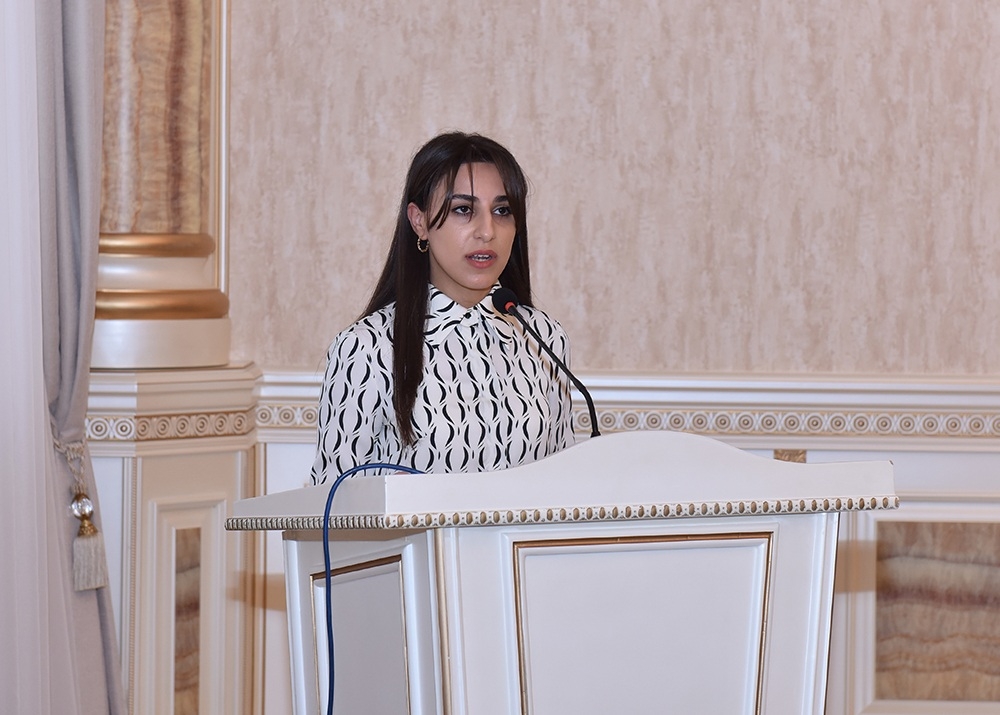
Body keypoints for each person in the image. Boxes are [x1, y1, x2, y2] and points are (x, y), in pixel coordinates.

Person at [310, 132, 576, 483]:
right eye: (463, 210)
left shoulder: (544, 338)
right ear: (419, 221)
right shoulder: (365, 348)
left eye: (502, 211)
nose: (487, 231)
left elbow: (562, 486)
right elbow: (332, 502)